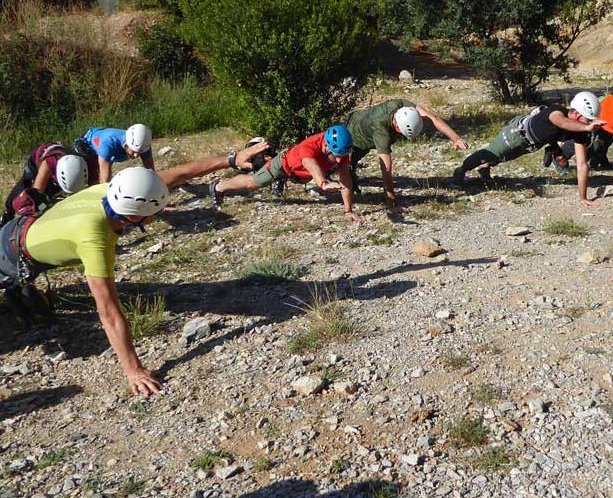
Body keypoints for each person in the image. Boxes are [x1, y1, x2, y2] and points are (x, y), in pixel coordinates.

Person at [0, 142, 269, 395]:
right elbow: (108, 311)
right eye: (159, 210)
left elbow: (179, 174)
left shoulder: (116, 190)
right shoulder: (95, 238)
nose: (162, 213)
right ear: (137, 216)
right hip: (10, 256)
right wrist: (134, 369)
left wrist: (231, 160)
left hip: (23, 228)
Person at [452, 92, 605, 206]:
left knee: (504, 157)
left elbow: (582, 165)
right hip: (516, 134)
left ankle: (485, 167)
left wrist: (583, 197)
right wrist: (587, 126)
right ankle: (462, 169)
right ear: (576, 114)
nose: (590, 122)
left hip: (530, 144)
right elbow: (562, 123)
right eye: (588, 118)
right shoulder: (556, 111)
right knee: (491, 153)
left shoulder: (581, 131)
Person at [209, 126, 363, 223]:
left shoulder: (340, 150)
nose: (338, 159)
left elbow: (345, 179)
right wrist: (322, 183)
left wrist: (348, 210)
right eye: (335, 155)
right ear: (325, 144)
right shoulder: (309, 146)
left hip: (300, 174)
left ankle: (280, 182)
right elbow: (311, 164)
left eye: (340, 156)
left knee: (340, 170)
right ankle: (219, 186)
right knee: (254, 182)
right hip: (283, 165)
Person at [346, 99, 469, 212]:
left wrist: (455, 138)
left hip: (361, 119)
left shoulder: (401, 106)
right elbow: (386, 170)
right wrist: (391, 204)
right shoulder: (382, 132)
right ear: (397, 128)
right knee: (344, 170)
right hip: (353, 137)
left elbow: (432, 118)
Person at [1, 142, 99, 225]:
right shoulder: (48, 164)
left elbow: (95, 195)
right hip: (37, 163)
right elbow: (35, 195)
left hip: (62, 166)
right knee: (24, 200)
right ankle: (5, 218)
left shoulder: (91, 166)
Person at [84, 124, 155, 183]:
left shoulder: (143, 145)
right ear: (126, 144)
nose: (136, 155)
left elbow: (152, 173)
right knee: (93, 180)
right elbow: (105, 181)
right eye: (134, 151)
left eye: (140, 152)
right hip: (89, 146)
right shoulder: (108, 145)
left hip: (105, 141)